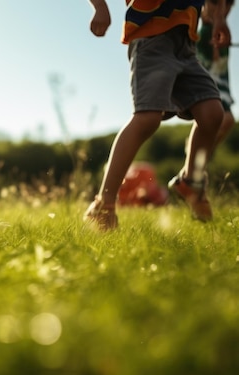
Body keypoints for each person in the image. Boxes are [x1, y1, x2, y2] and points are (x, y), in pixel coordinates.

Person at [85, 0, 231, 231]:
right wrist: (100, 8)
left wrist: (220, 18)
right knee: (147, 118)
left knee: (214, 114)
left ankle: (191, 181)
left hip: (186, 48)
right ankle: (104, 203)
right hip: (151, 36)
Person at [195, 0, 235, 149]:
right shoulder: (206, 31)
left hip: (222, 83)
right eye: (214, 2)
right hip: (212, 82)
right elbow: (212, 58)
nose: (225, 9)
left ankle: (203, 152)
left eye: (229, 5)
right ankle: (201, 151)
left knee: (225, 121)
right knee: (224, 119)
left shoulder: (222, 30)